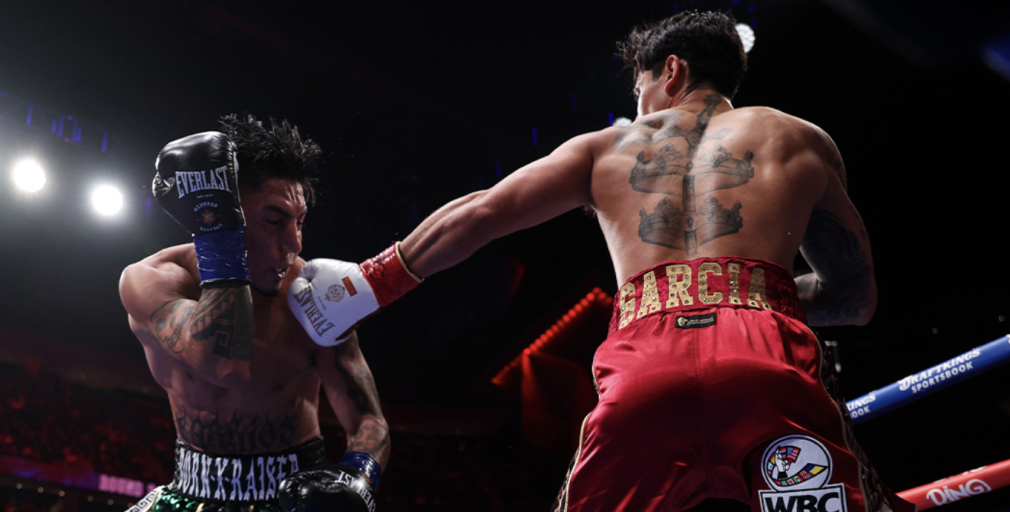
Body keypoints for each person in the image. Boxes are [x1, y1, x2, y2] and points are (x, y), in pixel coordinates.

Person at [287, 10, 915, 512]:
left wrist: (369, 283)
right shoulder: (798, 137)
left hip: (644, 364)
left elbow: (481, 212)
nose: (640, 105)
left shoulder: (608, 147)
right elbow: (856, 300)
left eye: (639, 89)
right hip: (765, 358)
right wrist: (758, 292)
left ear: (671, 71)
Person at [119, 114, 387, 512]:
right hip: (188, 489)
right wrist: (217, 232)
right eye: (274, 221)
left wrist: (356, 476)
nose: (294, 243)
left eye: (300, 222)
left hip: (290, 495)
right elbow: (223, 365)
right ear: (227, 213)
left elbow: (369, 420)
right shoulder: (152, 281)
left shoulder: (312, 295)